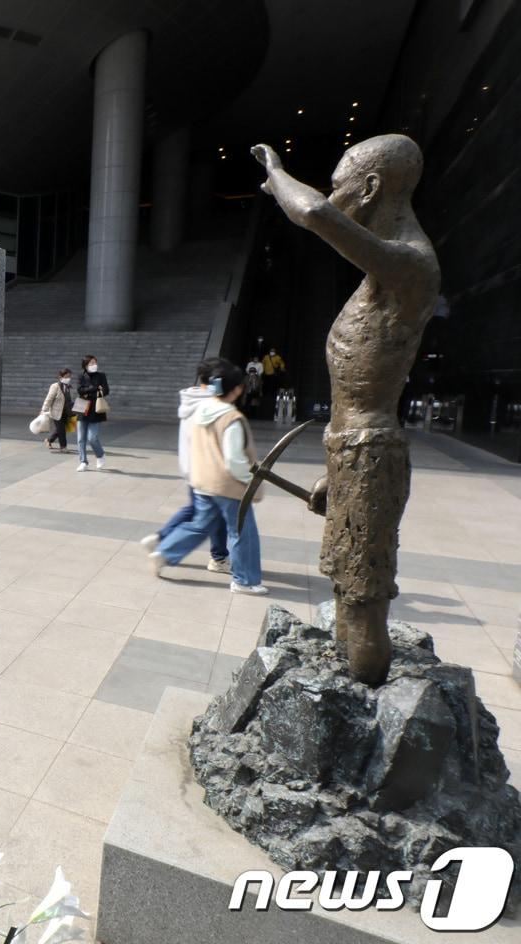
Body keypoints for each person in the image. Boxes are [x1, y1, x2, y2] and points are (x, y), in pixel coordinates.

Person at [253, 134, 440, 684]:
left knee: (362, 606)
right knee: (344, 587)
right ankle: (345, 711)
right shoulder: (381, 276)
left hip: (371, 453)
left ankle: (365, 745)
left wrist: (277, 172)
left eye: (340, 185)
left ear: (372, 186)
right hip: (353, 453)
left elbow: (310, 211)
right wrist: (334, 474)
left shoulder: (412, 266)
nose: (332, 197)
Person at [148, 362, 268, 595]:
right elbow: (234, 460)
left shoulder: (201, 410)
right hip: (227, 485)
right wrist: (251, 482)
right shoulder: (231, 418)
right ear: (237, 389)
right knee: (242, 531)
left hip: (201, 481)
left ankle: (164, 553)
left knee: (200, 524)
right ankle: (244, 580)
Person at [140, 357, 231, 574]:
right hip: (209, 472)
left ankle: (161, 539)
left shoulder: (190, 398)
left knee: (197, 510)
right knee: (207, 519)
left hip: (191, 468)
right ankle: (167, 553)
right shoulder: (213, 405)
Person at [74, 354, 109, 471]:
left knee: (92, 437)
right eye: (91, 363)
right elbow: (79, 390)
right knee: (80, 438)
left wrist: (87, 391)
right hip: (82, 407)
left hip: (96, 408)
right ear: (85, 365)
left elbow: (106, 390)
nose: (94, 365)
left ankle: (100, 455)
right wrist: (95, 388)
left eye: (95, 362)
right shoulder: (81, 375)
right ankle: (83, 462)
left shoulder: (101, 375)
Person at [40, 368, 75, 452]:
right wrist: (43, 409)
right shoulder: (55, 386)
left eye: (70, 376)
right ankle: (63, 447)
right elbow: (49, 398)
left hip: (67, 412)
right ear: (61, 377)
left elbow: (70, 400)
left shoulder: (69, 387)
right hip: (57, 412)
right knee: (62, 430)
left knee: (60, 429)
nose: (68, 378)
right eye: (66, 376)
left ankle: (49, 440)